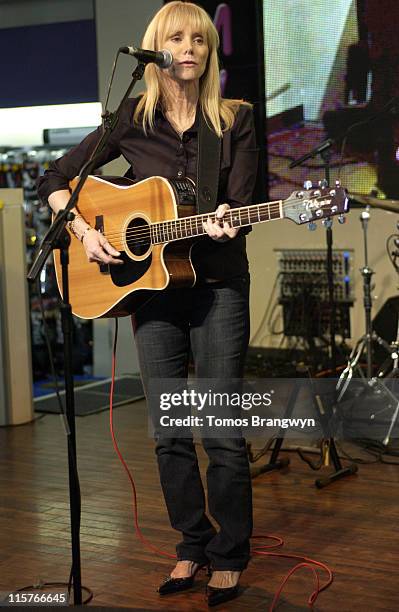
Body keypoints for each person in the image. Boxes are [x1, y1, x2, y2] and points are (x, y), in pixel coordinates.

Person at [38, 1, 258, 606]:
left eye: (200, 40)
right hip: (150, 292)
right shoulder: (133, 117)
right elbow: (56, 179)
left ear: (210, 52)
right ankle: (191, 547)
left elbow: (240, 207)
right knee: (169, 433)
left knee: (220, 430)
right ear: (156, 49)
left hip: (216, 287)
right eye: (177, 39)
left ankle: (230, 555)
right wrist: (86, 234)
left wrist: (225, 222)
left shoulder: (234, 119)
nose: (189, 48)